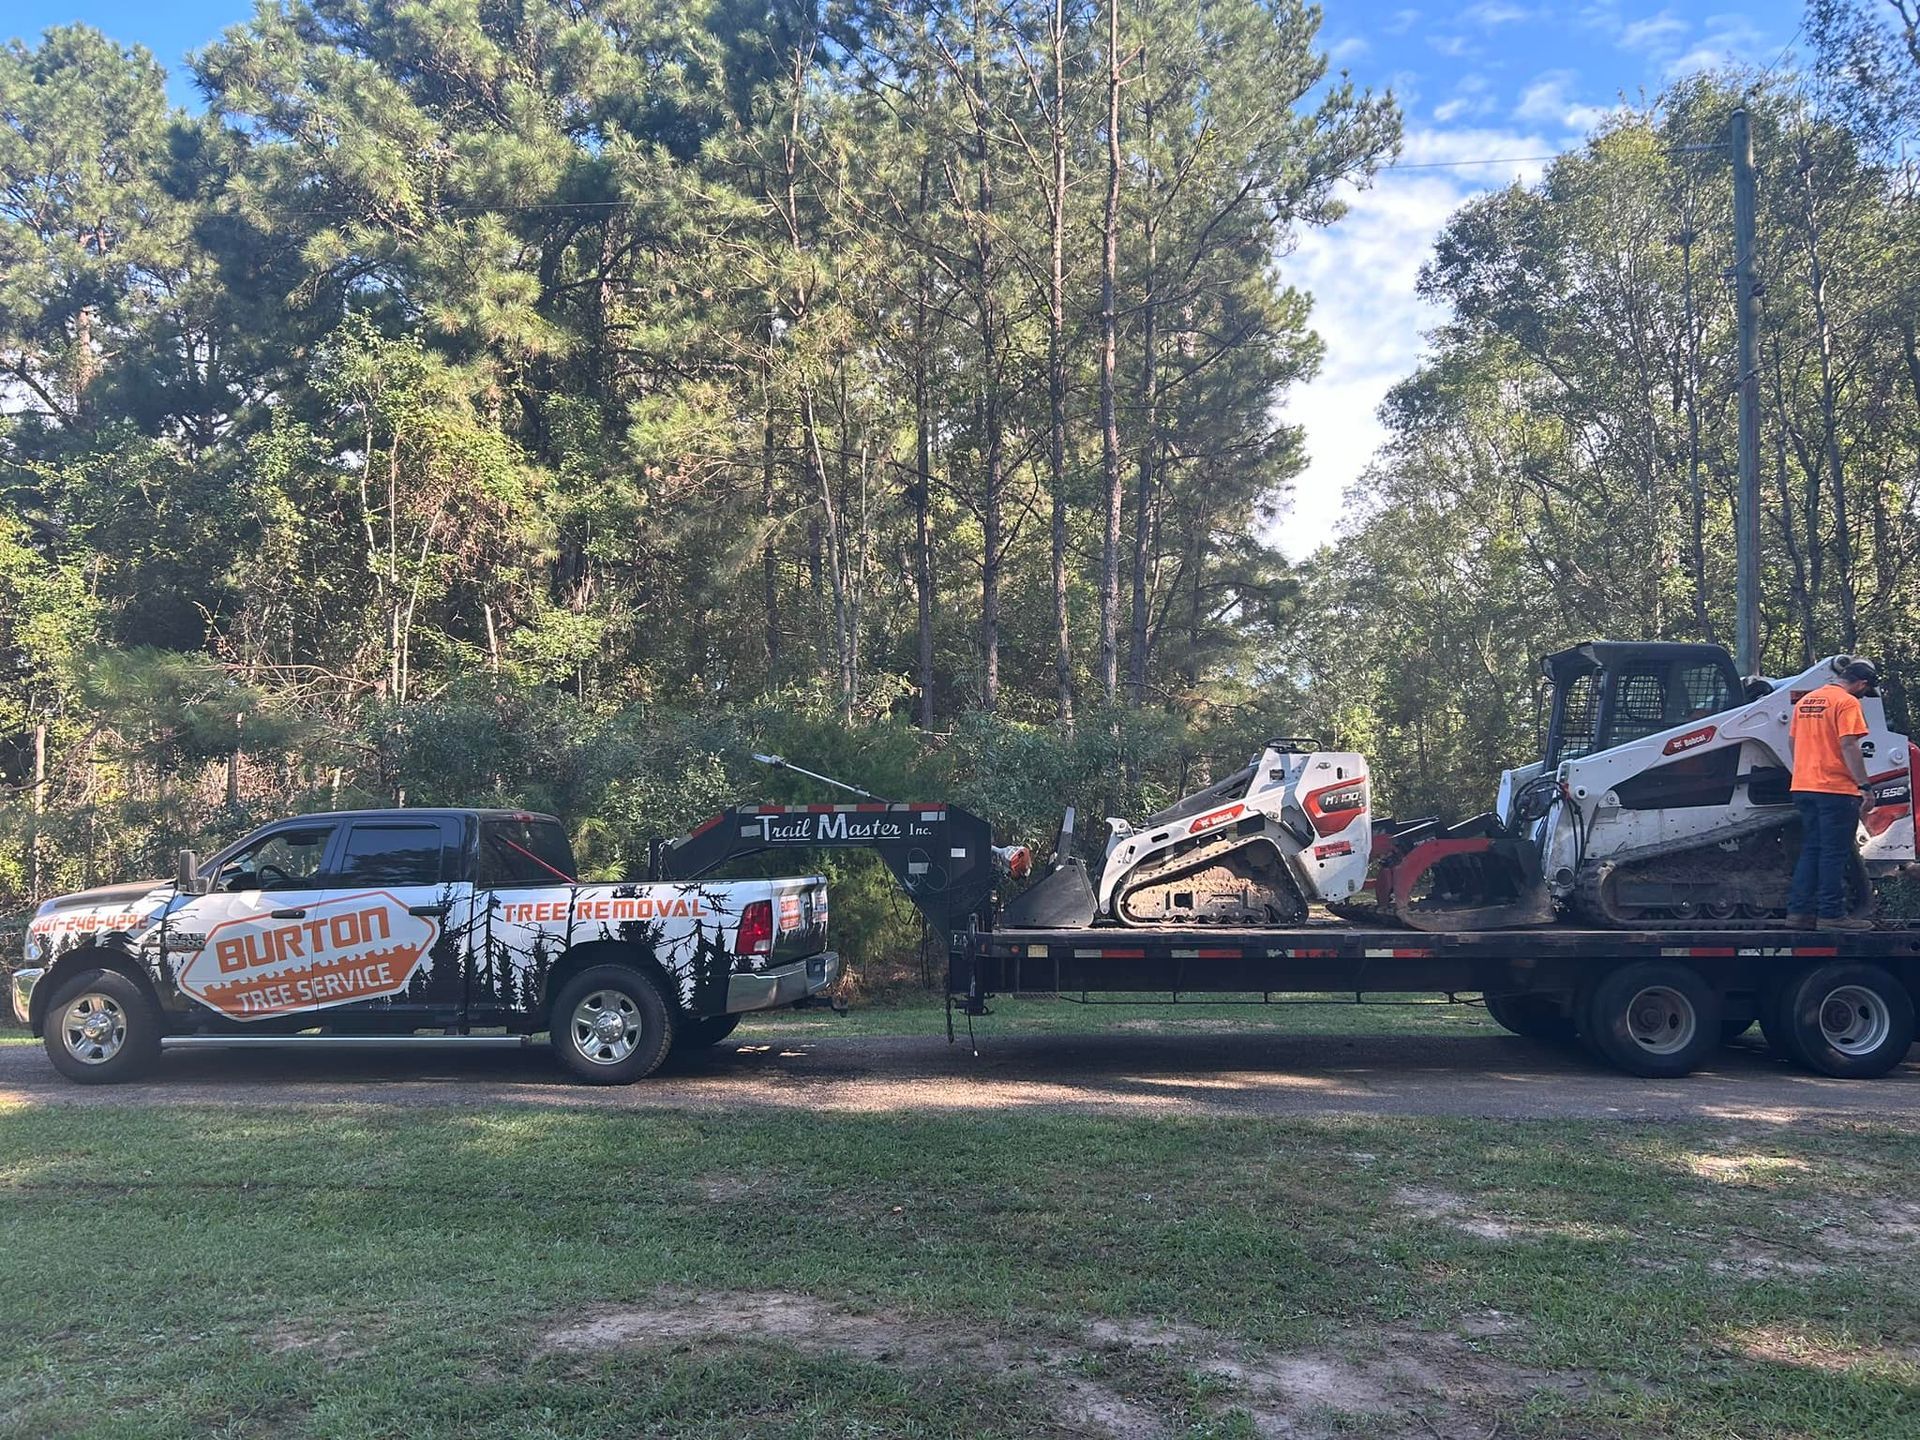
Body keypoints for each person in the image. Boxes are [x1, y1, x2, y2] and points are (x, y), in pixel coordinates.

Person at [1785, 660, 1879, 930]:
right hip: (1835, 790)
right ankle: (1831, 915)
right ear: (1861, 684)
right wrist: (1864, 785)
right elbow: (1849, 744)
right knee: (1834, 853)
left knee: (1812, 849)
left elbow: (1793, 741)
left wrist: (1804, 771)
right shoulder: (1847, 703)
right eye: (1866, 689)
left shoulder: (1807, 700)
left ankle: (1799, 913)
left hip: (1804, 786)